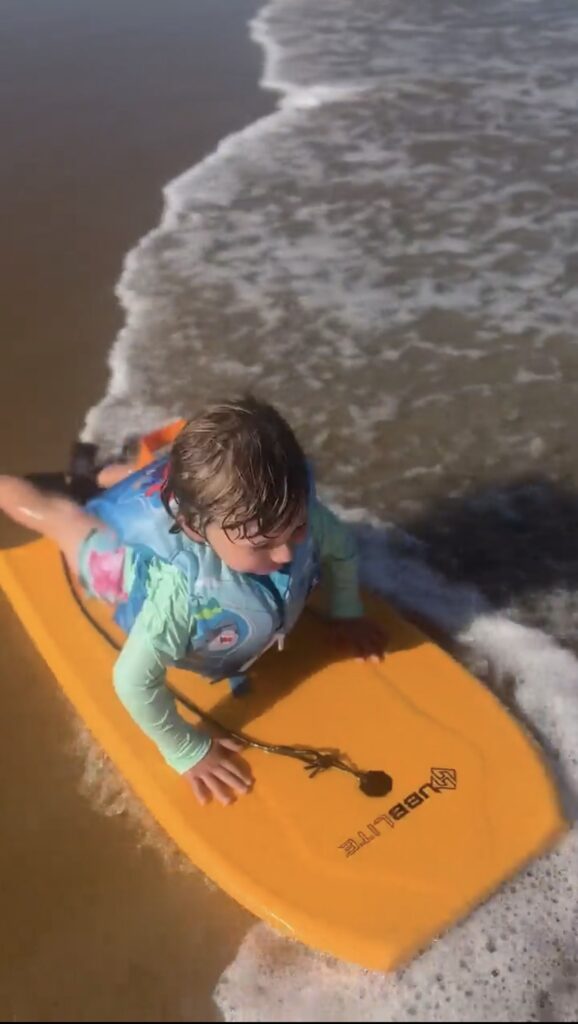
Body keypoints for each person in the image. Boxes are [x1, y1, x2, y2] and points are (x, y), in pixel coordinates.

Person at [0, 397, 386, 806]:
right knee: (65, 520)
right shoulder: (180, 594)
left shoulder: (286, 513)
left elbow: (341, 551)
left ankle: (121, 476)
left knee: (212, 494)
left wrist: (347, 611)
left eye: (297, 527)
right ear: (195, 531)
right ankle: (39, 489)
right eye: (264, 544)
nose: (288, 554)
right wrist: (186, 750)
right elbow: (132, 682)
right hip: (120, 562)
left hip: (189, 498)